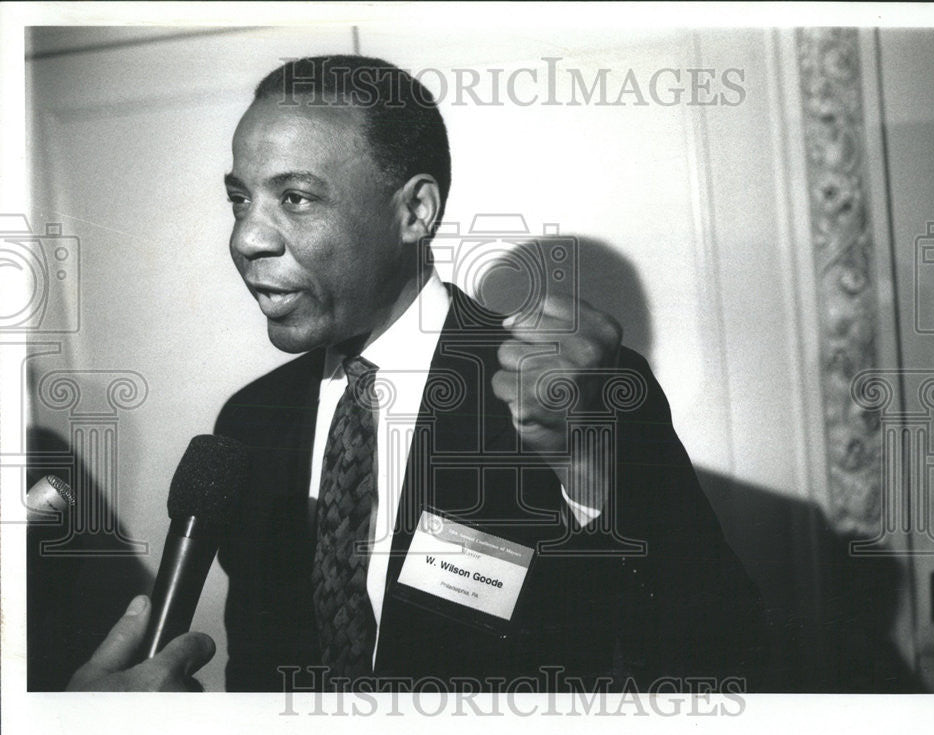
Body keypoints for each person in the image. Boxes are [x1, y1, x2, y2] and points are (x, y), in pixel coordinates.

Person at [70, 55, 765, 693]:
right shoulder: (248, 423)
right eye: (240, 198)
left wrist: (588, 469)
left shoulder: (578, 400)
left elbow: (723, 657)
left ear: (415, 211)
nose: (247, 237)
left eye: (297, 198)